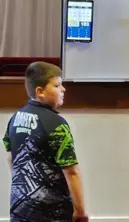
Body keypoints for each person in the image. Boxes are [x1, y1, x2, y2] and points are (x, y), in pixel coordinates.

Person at [2, 62, 88, 221]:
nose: (63, 89)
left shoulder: (15, 118)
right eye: (57, 85)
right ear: (40, 92)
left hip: (19, 208)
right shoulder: (57, 124)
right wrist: (80, 212)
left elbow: (11, 158)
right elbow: (71, 171)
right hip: (51, 212)